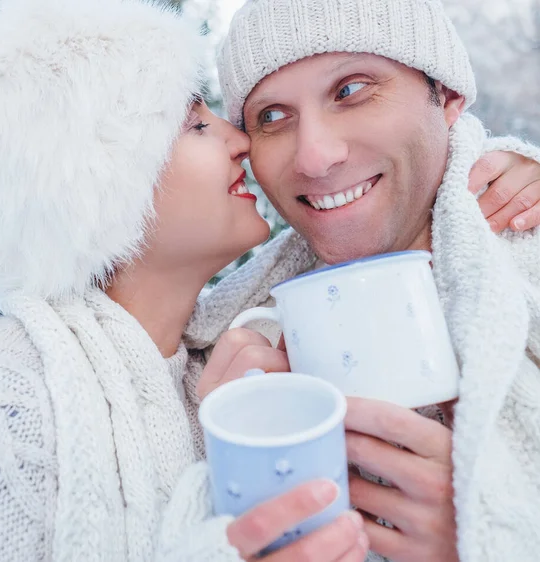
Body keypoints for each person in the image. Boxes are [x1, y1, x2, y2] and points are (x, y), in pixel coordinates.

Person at [0, 0, 373, 560]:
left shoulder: (233, 355)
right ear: (98, 187)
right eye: (196, 124)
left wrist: (498, 171)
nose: (240, 139)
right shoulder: (4, 409)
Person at [184, 1, 540, 561]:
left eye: (351, 90)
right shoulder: (222, 353)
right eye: (272, 117)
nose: (316, 158)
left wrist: (491, 529)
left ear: (445, 96)